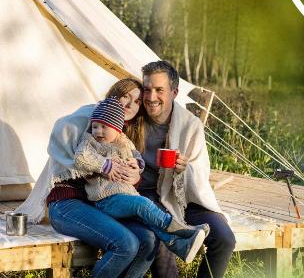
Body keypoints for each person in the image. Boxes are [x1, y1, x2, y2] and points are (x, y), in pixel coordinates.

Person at [17, 77, 158, 278]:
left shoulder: (123, 135)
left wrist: (134, 174)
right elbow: (61, 130)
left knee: (148, 240)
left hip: (101, 204)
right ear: (114, 95)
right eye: (126, 96)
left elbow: (118, 182)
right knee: (126, 244)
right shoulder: (92, 115)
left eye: (136, 101)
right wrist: (101, 165)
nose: (129, 104)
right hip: (68, 203)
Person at [73, 97, 209, 264]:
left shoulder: (124, 141)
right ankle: (183, 229)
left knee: (150, 221)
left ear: (117, 129)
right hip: (105, 200)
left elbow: (137, 156)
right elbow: (81, 158)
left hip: (126, 197)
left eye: (104, 127)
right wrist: (106, 165)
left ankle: (180, 245)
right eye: (95, 126)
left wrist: (137, 164)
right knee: (142, 204)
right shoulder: (90, 141)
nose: (98, 131)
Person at [139, 60, 236, 278]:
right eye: (147, 89)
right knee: (163, 238)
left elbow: (201, 174)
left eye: (159, 90)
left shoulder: (190, 125)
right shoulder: (134, 119)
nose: (151, 97)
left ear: (174, 92)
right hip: (146, 196)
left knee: (224, 238)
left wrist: (185, 169)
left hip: (182, 196)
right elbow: (101, 116)